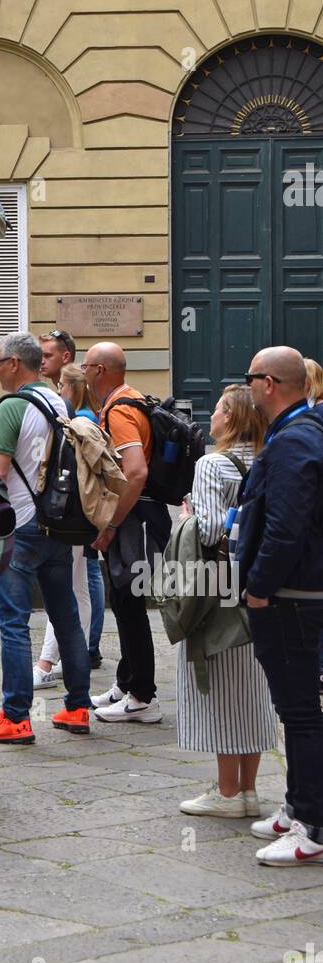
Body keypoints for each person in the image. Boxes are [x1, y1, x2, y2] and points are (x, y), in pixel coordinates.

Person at [0, 333, 92, 744]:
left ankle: (16, 716)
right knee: (66, 617)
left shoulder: (13, 407)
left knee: (13, 622)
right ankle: (78, 708)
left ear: (14, 365)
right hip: (57, 524)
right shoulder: (60, 401)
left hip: (21, 528)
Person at [237, 346, 323, 867]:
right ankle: (297, 806)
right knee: (299, 710)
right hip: (299, 593)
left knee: (300, 713)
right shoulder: (305, 429)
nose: (246, 387)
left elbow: (286, 526)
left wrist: (260, 587)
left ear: (269, 383)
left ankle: (311, 825)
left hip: (291, 598)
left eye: (250, 378)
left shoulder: (294, 440)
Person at [176, 384, 276, 818]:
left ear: (231, 419)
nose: (210, 417)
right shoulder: (269, 457)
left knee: (218, 688)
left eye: (217, 410)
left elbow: (212, 531)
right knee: (254, 689)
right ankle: (249, 791)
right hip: (259, 585)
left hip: (217, 589)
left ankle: (227, 792)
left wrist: (188, 515)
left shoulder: (211, 463)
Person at [84, 342, 171, 724]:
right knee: (123, 603)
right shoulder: (134, 399)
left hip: (134, 520)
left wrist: (112, 524)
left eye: (86, 365)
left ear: (100, 370)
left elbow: (135, 472)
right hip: (142, 516)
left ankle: (142, 697)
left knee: (130, 605)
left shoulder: (119, 410)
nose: (83, 372)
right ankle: (126, 682)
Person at [60, 362, 105, 668]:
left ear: (73, 389)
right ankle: (84, 649)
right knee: (81, 585)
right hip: (86, 513)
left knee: (73, 586)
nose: (58, 391)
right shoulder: (89, 415)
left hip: (78, 512)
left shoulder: (81, 420)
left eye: (62, 386)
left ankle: (64, 656)